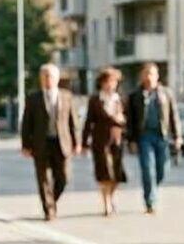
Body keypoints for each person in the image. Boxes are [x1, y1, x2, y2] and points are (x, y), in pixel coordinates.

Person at [20, 63, 80, 220]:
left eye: (51, 76)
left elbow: (73, 122)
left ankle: (51, 200)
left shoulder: (66, 96)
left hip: (62, 143)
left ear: (57, 78)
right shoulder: (33, 98)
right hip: (41, 144)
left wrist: (77, 142)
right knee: (43, 178)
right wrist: (26, 145)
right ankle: (49, 209)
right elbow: (27, 123)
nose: (48, 79)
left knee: (64, 177)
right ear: (41, 79)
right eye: (45, 76)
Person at [126, 62, 182, 214]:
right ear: (142, 76)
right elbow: (130, 120)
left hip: (162, 136)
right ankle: (150, 201)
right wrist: (131, 140)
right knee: (147, 169)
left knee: (162, 169)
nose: (149, 77)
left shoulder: (166, 93)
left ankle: (152, 188)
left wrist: (177, 136)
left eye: (152, 74)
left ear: (157, 76)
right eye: (146, 74)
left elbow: (173, 116)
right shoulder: (135, 96)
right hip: (144, 137)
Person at [82, 67, 128, 216]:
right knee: (105, 173)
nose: (110, 85)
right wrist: (83, 143)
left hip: (117, 140)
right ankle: (106, 204)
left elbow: (128, 120)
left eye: (113, 82)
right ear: (101, 83)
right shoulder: (95, 100)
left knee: (117, 175)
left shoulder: (120, 99)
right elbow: (88, 122)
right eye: (107, 82)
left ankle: (111, 197)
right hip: (100, 141)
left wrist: (123, 122)